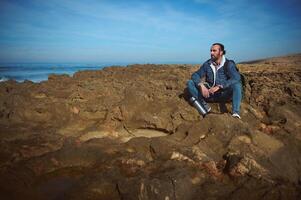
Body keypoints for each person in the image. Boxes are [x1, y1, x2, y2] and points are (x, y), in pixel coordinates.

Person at [187, 43, 242, 119]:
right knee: (190, 83)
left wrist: (220, 86)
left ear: (221, 52)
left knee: (236, 85)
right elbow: (195, 75)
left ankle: (235, 113)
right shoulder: (207, 64)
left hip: (223, 94)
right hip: (209, 94)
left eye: (214, 51)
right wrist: (201, 85)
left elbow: (236, 77)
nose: (211, 53)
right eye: (211, 51)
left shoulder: (229, 64)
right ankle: (204, 104)